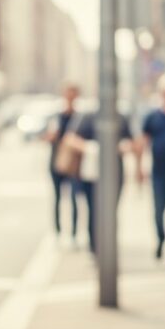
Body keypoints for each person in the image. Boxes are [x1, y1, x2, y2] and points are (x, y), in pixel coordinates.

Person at [65, 109, 135, 253]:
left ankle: (108, 245)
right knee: (93, 211)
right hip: (92, 174)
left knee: (111, 212)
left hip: (115, 173)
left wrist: (121, 147)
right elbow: (70, 138)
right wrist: (91, 148)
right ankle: (95, 247)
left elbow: (131, 141)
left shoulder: (120, 117)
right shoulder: (88, 116)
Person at [137, 73, 165, 262]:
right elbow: (142, 143)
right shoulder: (152, 117)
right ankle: (161, 239)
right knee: (158, 211)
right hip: (159, 173)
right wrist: (138, 168)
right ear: (162, 94)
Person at [45, 84, 80, 242]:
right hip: (57, 161)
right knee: (58, 197)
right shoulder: (56, 117)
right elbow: (48, 137)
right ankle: (58, 231)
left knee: (74, 198)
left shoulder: (79, 117)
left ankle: (73, 232)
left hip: (73, 164)